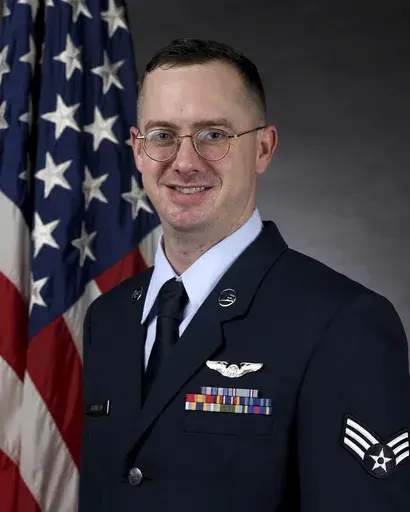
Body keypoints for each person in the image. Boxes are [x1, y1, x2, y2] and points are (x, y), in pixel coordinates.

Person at [78, 38, 410, 511]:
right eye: (163, 135)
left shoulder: (342, 323)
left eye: (213, 134)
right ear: (137, 150)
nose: (184, 162)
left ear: (263, 149)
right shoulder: (108, 318)